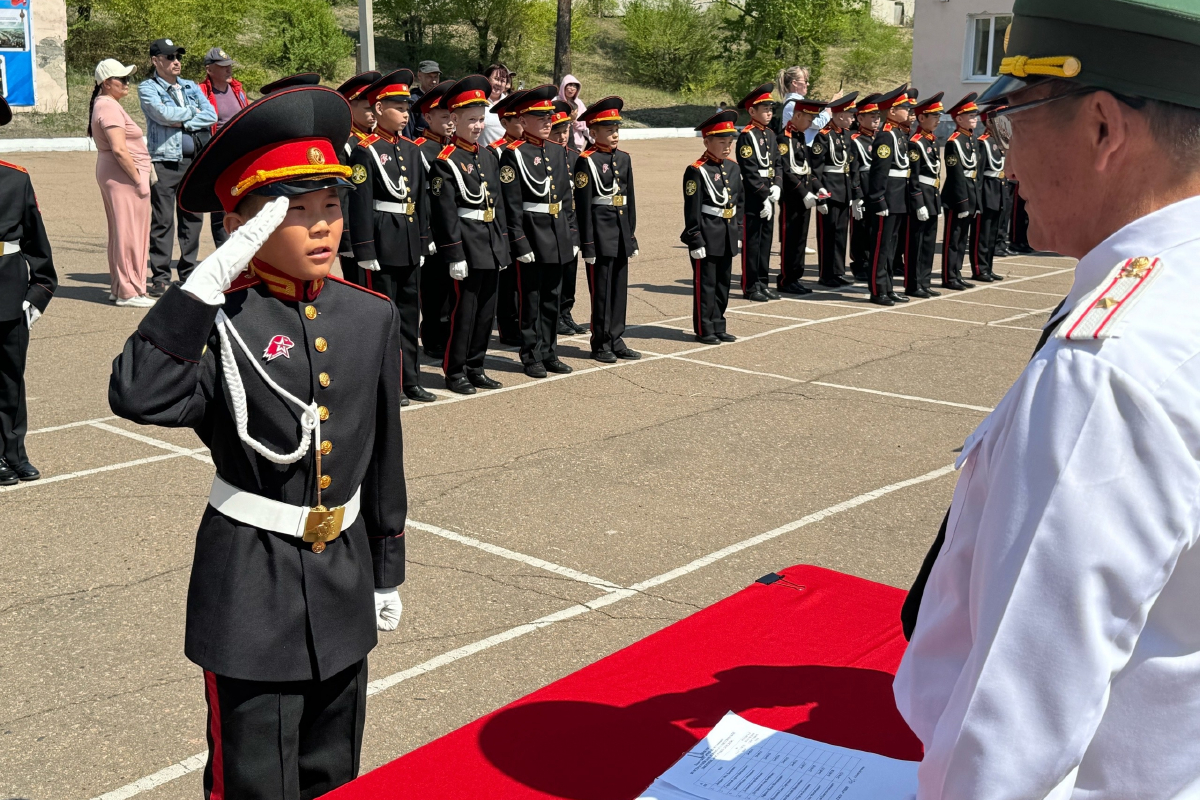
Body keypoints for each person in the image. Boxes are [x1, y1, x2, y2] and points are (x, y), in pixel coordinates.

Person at [896, 3, 1200, 798]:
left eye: (1015, 121)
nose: (1005, 164)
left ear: (1102, 128)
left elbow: (1011, 736)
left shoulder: (1108, 368)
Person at [108, 85, 405, 799]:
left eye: (330, 206)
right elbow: (138, 394)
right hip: (251, 585)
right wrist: (202, 288)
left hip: (342, 578)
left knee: (333, 772)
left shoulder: (369, 316)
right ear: (242, 222)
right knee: (255, 782)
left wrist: (387, 566)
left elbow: (385, 458)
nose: (322, 227)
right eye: (294, 212)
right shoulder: (221, 320)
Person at [348, 69, 435, 405]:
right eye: (399, 107)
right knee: (384, 318)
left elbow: (421, 199)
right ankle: (388, 384)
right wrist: (364, 248)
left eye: (407, 107)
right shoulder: (365, 151)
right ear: (380, 107)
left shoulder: (412, 151)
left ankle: (410, 379)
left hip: (410, 240)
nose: (406, 114)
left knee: (409, 316)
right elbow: (360, 202)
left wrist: (424, 238)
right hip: (383, 242)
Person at [427, 75, 511, 394]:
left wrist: (501, 247)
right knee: (463, 313)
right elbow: (444, 213)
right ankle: (455, 370)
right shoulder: (445, 163)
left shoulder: (488, 156)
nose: (477, 126)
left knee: (486, 313)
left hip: (489, 245)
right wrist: (454, 254)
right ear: (454, 120)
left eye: (481, 119)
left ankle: (476, 365)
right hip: (467, 247)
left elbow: (497, 206)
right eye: (471, 120)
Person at [498, 84, 580, 379]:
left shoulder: (558, 152)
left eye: (549, 116)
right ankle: (531, 354)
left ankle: (549, 352)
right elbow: (512, 204)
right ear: (522, 120)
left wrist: (572, 234)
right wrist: (519, 242)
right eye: (541, 117)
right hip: (532, 235)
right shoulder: (513, 155)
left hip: (557, 232)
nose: (548, 121)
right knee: (530, 299)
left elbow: (566, 200)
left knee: (551, 298)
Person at [0, 95, 57, 486]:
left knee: (10, 379)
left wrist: (37, 294)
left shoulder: (15, 178)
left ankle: (14, 452)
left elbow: (38, 245)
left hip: (7, 290)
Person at [140, 38, 218, 297]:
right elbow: (161, 114)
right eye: (170, 57)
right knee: (162, 221)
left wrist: (182, 117)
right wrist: (190, 113)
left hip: (194, 160)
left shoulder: (190, 86)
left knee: (193, 219)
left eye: (178, 57)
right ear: (155, 61)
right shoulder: (147, 88)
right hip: (164, 161)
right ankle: (160, 277)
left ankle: (188, 273)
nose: (176, 62)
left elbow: (211, 115)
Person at [574, 96, 639, 363]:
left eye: (616, 129)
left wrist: (631, 234)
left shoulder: (623, 159)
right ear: (593, 131)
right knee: (601, 291)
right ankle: (600, 342)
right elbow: (583, 206)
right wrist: (587, 243)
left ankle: (616, 337)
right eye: (608, 130)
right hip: (599, 236)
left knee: (619, 289)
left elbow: (629, 200)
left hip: (620, 232)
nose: (614, 135)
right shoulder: (586, 161)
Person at [89, 58, 153, 307]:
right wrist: (138, 180)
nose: (128, 83)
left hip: (118, 173)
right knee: (130, 232)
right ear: (106, 83)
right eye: (122, 79)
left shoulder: (105, 103)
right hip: (124, 175)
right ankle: (130, 290)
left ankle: (122, 287)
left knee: (123, 231)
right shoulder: (108, 106)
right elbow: (119, 149)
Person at [682, 110, 743, 345]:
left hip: (727, 233)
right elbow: (692, 209)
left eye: (730, 142)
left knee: (722, 284)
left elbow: (739, 203)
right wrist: (695, 238)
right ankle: (704, 328)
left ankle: (719, 324)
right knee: (706, 285)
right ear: (707, 141)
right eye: (722, 142)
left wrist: (738, 231)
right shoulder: (697, 171)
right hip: (707, 234)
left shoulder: (733, 168)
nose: (727, 147)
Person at [412, 79, 455, 360]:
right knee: (434, 289)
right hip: (433, 232)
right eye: (444, 117)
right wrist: (425, 234)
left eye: (453, 116)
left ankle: (449, 334)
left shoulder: (455, 148)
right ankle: (433, 338)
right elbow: (419, 197)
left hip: (455, 230)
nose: (451, 122)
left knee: (453, 290)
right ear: (427, 117)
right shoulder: (418, 149)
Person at [865, 84, 914, 306]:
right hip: (887, 198)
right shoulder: (886, 137)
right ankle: (878, 290)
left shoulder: (899, 135)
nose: (909, 111)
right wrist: (878, 199)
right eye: (905, 107)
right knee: (881, 247)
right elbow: (879, 172)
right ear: (892, 111)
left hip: (898, 197)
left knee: (892, 248)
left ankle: (889, 287)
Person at [734, 83, 782, 303]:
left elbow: (778, 163)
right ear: (752, 111)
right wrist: (763, 194)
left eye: (771, 109)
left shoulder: (770, 135)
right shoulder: (747, 136)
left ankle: (763, 282)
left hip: (769, 192)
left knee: (765, 241)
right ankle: (751, 285)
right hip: (754, 196)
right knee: (752, 242)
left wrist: (777, 186)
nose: (769, 113)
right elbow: (749, 169)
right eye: (764, 109)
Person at [198, 47, 249, 248]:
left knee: (241, 201)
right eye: (223, 67)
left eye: (229, 66)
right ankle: (224, 249)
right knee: (220, 206)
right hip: (217, 155)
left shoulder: (237, 89)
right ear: (209, 70)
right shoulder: (201, 92)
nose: (228, 70)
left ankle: (241, 249)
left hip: (240, 155)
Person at [334, 70, 381, 287]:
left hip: (379, 229)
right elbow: (342, 193)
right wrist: (346, 239)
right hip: (355, 233)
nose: (373, 112)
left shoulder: (378, 141)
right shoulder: (345, 143)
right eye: (367, 107)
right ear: (350, 107)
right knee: (361, 287)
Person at [487, 90, 527, 346]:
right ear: (505, 123)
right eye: (518, 121)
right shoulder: (496, 151)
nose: (523, 125)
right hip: (504, 221)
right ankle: (508, 326)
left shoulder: (529, 149)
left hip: (527, 221)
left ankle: (523, 323)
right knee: (509, 279)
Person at [810, 92, 860, 289]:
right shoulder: (823, 137)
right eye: (850, 115)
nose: (853, 118)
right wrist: (821, 196)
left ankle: (837, 271)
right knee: (828, 234)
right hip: (829, 190)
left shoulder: (847, 136)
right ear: (839, 116)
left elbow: (852, 166)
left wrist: (855, 195)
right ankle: (826, 273)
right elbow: (816, 170)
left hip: (844, 189)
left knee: (840, 234)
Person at [777, 98, 825, 295]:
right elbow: (787, 171)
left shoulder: (799, 137)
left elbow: (806, 169)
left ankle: (796, 276)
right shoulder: (784, 139)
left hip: (804, 195)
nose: (811, 123)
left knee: (801, 238)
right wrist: (804, 192)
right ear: (797, 116)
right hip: (792, 196)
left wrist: (818, 187)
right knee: (791, 239)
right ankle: (786, 279)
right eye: (808, 118)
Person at [549, 100, 588, 336]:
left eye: (566, 131)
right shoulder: (542, 157)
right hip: (553, 224)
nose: (563, 137)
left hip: (571, 224)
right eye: (557, 132)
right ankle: (554, 316)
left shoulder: (574, 156)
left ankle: (566, 312)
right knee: (555, 276)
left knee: (570, 272)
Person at [903, 92, 945, 299]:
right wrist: (918, 202)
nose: (938, 120)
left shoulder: (932, 142)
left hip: (932, 196)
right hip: (921, 198)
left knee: (928, 242)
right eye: (934, 116)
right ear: (921, 118)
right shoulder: (916, 142)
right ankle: (913, 284)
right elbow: (914, 177)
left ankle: (925, 281)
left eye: (938, 116)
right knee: (916, 244)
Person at [940, 93, 982, 289]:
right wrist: (963, 202)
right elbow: (956, 175)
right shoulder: (953, 142)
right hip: (957, 197)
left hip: (970, 193)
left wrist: (976, 201)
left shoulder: (971, 140)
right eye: (971, 116)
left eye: (975, 115)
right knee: (953, 238)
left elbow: (975, 173)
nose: (975, 119)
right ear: (959, 119)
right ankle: (949, 276)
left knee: (962, 238)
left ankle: (956, 273)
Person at [969, 106, 1007, 282]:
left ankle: (988, 267)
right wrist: (977, 200)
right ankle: (979, 268)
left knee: (992, 234)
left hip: (998, 189)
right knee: (982, 234)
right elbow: (979, 174)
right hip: (987, 192)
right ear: (990, 121)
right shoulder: (983, 142)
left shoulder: (1001, 141)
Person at [848, 93, 881, 282]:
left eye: (878, 117)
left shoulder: (879, 138)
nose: (876, 120)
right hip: (864, 186)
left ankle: (872, 262)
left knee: (875, 228)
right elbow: (854, 171)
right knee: (861, 228)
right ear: (860, 118)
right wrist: (857, 195)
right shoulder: (856, 140)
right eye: (872, 117)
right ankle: (860, 264)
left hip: (877, 188)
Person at [775, 66, 832, 144]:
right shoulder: (793, 104)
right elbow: (817, 123)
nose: (808, 84)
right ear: (795, 83)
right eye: (805, 81)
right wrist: (829, 110)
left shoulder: (796, 102)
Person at [404, 60, 441, 140]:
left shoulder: (441, 100)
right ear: (419, 76)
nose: (434, 81)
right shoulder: (413, 101)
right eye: (429, 77)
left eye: (436, 77)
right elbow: (408, 134)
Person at [557, 74, 591, 152]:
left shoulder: (579, 103)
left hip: (576, 144)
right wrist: (568, 120)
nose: (572, 89)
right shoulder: (556, 101)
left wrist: (575, 122)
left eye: (575, 86)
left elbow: (586, 123)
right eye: (569, 85)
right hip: (558, 141)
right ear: (563, 86)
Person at [482, 64, 510, 145]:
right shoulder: (478, 101)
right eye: (496, 79)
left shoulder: (509, 103)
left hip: (505, 153)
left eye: (502, 81)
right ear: (487, 79)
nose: (499, 84)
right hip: (482, 154)